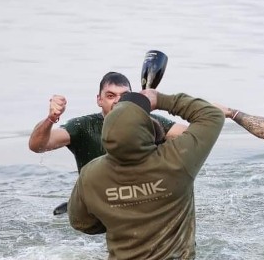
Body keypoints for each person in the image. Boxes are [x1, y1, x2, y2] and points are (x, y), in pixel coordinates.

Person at [67, 90, 223, 260]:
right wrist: (160, 99)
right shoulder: (177, 160)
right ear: (147, 132)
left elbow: (80, 222)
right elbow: (212, 115)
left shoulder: (90, 174)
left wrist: (117, 213)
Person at [28, 71, 188, 215]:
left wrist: (161, 102)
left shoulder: (151, 123)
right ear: (99, 100)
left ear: (133, 98)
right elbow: (37, 145)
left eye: (124, 96)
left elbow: (194, 136)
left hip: (139, 203)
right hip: (97, 207)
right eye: (111, 96)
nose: (118, 102)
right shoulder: (83, 127)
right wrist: (51, 118)